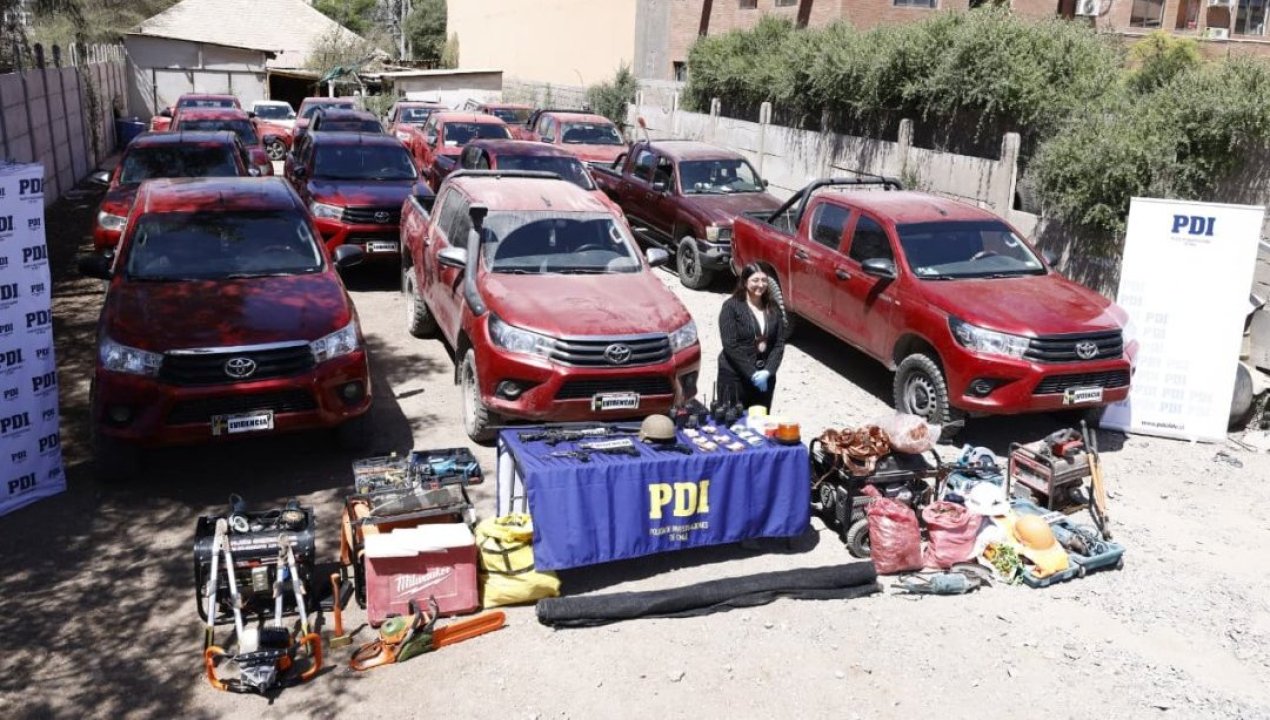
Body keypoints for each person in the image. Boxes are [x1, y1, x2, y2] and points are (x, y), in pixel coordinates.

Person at [716, 263, 786, 412]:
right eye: (755, 280)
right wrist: (752, 373)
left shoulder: (773, 307)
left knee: (759, 421)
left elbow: (779, 343)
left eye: (764, 280)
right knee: (733, 420)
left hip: (764, 378)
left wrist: (768, 371)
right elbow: (730, 345)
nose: (760, 285)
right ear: (745, 282)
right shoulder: (731, 307)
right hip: (735, 376)